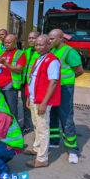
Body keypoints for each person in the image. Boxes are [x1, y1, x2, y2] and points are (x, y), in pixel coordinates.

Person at [24, 35, 61, 168]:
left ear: (48, 45)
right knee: (37, 126)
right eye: (36, 44)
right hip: (35, 99)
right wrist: (29, 96)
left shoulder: (52, 61)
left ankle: (42, 158)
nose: (37, 47)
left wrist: (44, 103)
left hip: (42, 101)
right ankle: (36, 148)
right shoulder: (39, 58)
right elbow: (33, 79)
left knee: (43, 128)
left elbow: (53, 83)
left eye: (41, 45)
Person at [49, 29, 84, 164]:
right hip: (53, 88)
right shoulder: (52, 51)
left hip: (65, 88)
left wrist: (67, 81)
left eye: (52, 39)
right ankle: (54, 141)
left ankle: (72, 150)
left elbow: (79, 71)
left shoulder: (70, 52)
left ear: (61, 39)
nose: (50, 41)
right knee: (53, 114)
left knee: (66, 117)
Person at [0, 34, 24, 119]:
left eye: (9, 43)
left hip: (9, 85)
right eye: (5, 43)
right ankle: (6, 127)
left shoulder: (19, 53)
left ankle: (15, 129)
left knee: (12, 109)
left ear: (15, 42)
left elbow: (18, 70)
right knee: (2, 108)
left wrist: (5, 63)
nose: (6, 44)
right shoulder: (3, 53)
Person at [21, 31, 40, 134]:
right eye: (29, 38)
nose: (31, 40)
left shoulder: (41, 53)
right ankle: (27, 126)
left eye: (34, 38)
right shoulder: (26, 51)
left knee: (36, 107)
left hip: (35, 85)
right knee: (26, 106)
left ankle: (37, 127)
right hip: (25, 84)